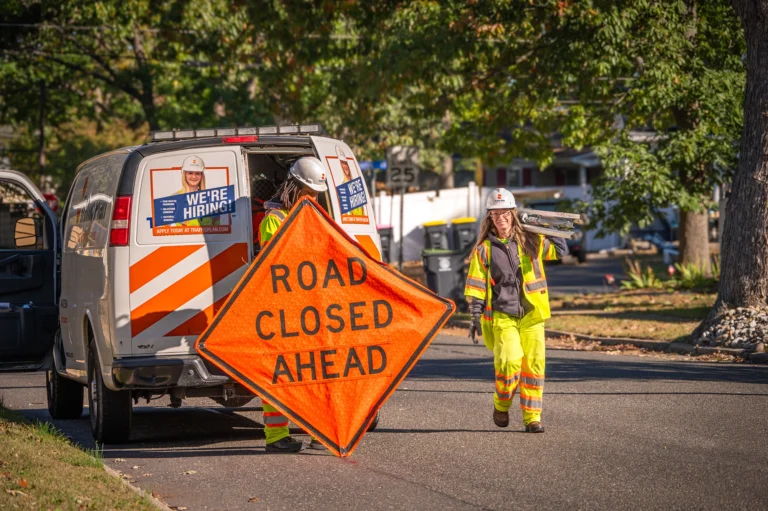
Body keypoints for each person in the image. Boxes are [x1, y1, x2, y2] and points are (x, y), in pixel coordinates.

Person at [464, 188, 567, 433]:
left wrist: (548, 225)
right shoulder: (484, 250)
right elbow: (477, 284)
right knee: (509, 363)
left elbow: (560, 250)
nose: (500, 219)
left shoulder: (531, 241)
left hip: (533, 315)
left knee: (533, 367)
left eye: (505, 214)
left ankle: (532, 418)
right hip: (503, 316)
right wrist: (475, 315)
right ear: (490, 218)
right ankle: (501, 404)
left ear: (513, 215)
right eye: (495, 214)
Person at [258, 156, 328, 453]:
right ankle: (276, 435)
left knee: (315, 370)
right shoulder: (273, 221)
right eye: (307, 193)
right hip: (283, 308)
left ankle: (318, 431)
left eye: (315, 194)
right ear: (293, 188)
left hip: (310, 307)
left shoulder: (315, 217)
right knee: (281, 373)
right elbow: (282, 265)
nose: (311, 199)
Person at [174, 155, 220, 227]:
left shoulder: (210, 198)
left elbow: (218, 227)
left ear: (202, 175)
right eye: (190, 173)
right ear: (185, 174)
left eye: (197, 173)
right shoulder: (174, 198)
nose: (194, 176)